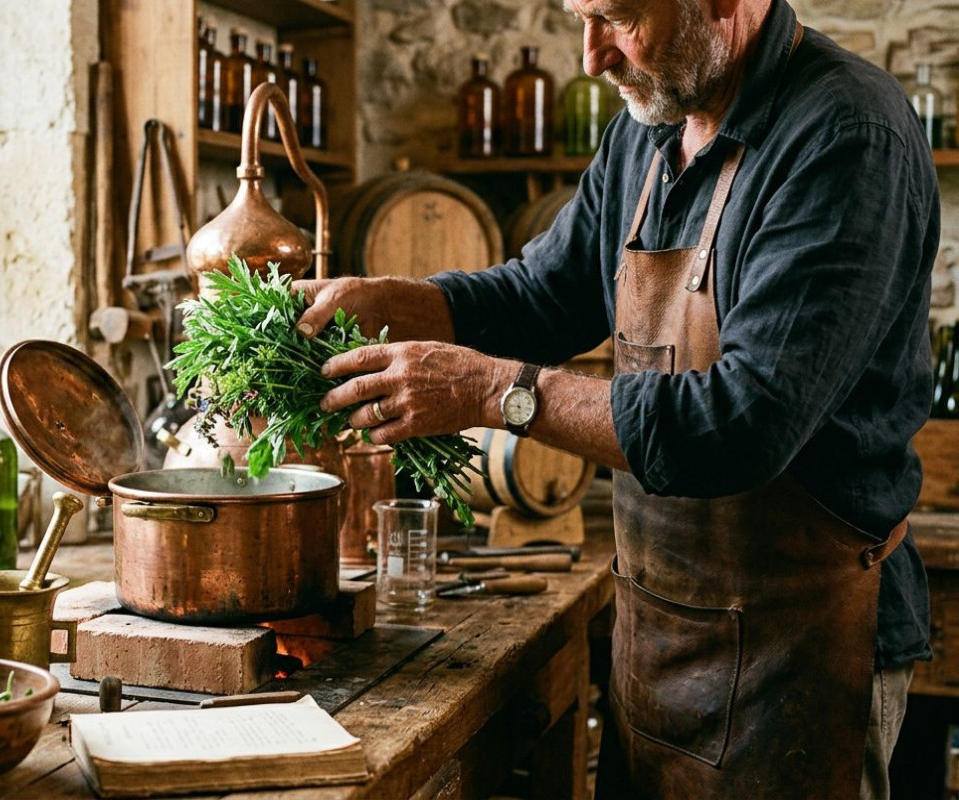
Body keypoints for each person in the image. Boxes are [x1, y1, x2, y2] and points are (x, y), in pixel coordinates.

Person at [294, 0, 939, 797]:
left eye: (618, 17)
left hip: (801, 650)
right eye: (580, 16)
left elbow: (741, 424)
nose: (591, 56)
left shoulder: (846, 133)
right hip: (660, 637)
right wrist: (397, 302)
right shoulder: (648, 130)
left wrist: (496, 392)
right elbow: (545, 295)